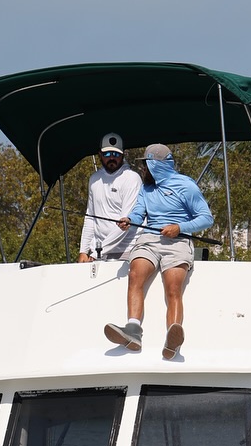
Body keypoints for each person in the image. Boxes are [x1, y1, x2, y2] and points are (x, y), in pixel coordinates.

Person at [103, 143, 213, 359]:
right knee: (135, 274)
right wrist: (128, 221)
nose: (144, 169)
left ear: (157, 165)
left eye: (147, 164)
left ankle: (172, 340)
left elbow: (206, 218)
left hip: (178, 242)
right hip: (150, 240)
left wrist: (179, 228)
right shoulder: (146, 189)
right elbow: (138, 214)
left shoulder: (186, 185)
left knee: (173, 288)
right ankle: (133, 331)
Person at [78, 133, 142, 263]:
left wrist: (97, 253)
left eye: (116, 154)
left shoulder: (132, 178)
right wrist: (83, 251)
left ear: (123, 155)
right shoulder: (94, 179)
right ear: (99, 154)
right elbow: (90, 217)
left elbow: (124, 224)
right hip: (98, 252)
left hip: (127, 250)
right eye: (107, 154)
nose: (112, 158)